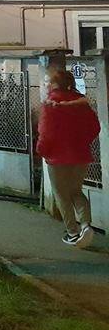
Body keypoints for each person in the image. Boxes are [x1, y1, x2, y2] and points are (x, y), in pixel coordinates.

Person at [37, 69, 101, 248]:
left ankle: (72, 232)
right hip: (80, 155)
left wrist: (41, 150)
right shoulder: (81, 102)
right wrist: (82, 142)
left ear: (54, 84)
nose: (46, 85)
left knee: (61, 194)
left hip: (57, 157)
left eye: (48, 82)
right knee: (76, 191)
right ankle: (86, 225)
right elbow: (94, 127)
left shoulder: (50, 104)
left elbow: (45, 131)